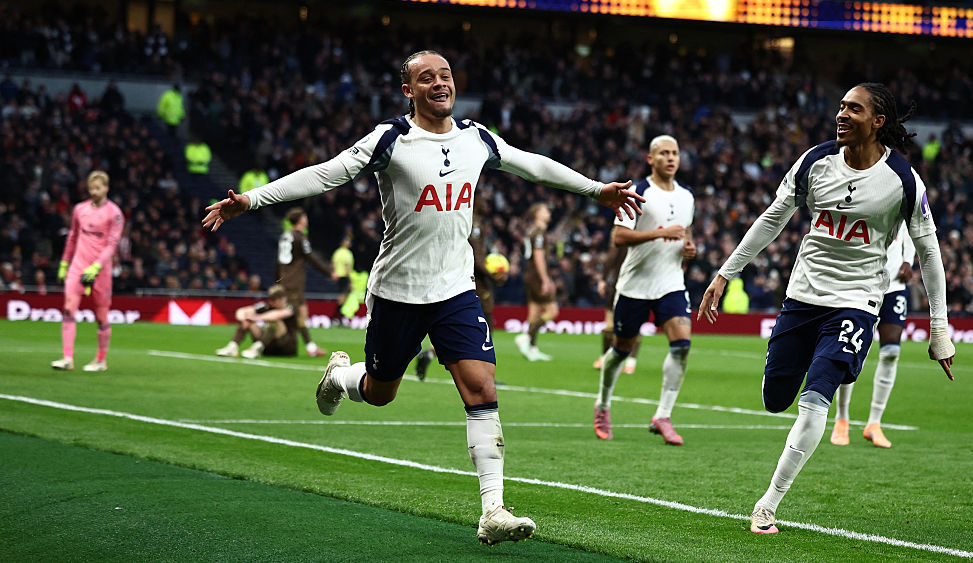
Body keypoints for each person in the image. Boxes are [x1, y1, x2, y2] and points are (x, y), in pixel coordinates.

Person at [202, 49, 644, 545]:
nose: (439, 83)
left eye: (446, 75)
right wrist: (251, 199)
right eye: (426, 78)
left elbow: (532, 165)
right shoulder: (390, 140)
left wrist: (594, 190)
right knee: (380, 392)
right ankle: (342, 376)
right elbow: (325, 173)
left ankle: (493, 509)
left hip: (456, 290)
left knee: (481, 389)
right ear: (408, 91)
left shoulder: (477, 138)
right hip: (397, 292)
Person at [696, 83, 955, 535]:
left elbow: (930, 255)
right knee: (776, 399)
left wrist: (939, 330)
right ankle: (790, 382)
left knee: (815, 400)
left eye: (853, 109)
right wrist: (725, 273)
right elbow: (773, 218)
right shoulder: (815, 162)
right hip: (802, 298)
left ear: (877, 121)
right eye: (840, 107)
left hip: (857, 302)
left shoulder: (903, 181)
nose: (841, 114)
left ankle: (767, 504)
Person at [593, 135, 697, 446]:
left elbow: (685, 235)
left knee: (681, 346)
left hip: (670, 283)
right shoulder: (638, 192)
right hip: (635, 285)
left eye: (675, 153)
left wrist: (688, 249)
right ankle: (603, 404)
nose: (670, 158)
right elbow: (620, 238)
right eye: (663, 153)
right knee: (620, 351)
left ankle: (662, 415)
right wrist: (660, 233)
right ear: (650, 158)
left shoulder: (687, 196)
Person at [830, 219, 916, 448]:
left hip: (895, 285)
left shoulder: (905, 189)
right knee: (851, 350)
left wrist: (908, 260)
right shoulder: (865, 189)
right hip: (862, 283)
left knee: (890, 353)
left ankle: (874, 423)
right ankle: (842, 419)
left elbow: (914, 225)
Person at [416, 207, 507, 381]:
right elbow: (475, 254)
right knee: (483, 327)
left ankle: (430, 354)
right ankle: (483, 374)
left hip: (469, 277)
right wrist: (492, 276)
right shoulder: (472, 221)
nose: (487, 201)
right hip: (475, 280)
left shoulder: (466, 219)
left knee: (475, 326)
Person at [51, 171, 125, 372]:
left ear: (106, 188)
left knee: (101, 316)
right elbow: (73, 237)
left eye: (98, 188)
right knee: (68, 309)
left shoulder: (115, 213)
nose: (94, 192)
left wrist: (97, 266)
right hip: (78, 266)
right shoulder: (79, 209)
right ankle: (67, 358)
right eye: (91, 188)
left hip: (100, 271)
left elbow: (112, 245)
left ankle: (101, 360)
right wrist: (64, 264)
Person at [277, 207, 332, 357]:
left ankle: (310, 347)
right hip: (294, 282)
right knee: (295, 316)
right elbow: (312, 259)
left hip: (285, 280)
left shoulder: (285, 236)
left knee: (302, 313)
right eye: (305, 217)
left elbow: (278, 261)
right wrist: (329, 272)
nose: (306, 220)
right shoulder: (301, 238)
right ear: (301, 220)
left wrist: (278, 280)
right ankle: (276, 344)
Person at [592, 234, 641, 374]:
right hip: (640, 284)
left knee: (609, 323)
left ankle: (604, 359)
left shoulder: (621, 232)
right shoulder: (646, 231)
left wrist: (603, 279)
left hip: (620, 283)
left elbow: (611, 257)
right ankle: (631, 363)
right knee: (635, 324)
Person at [514, 203, 557, 361]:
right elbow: (538, 257)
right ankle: (526, 336)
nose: (548, 213)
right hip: (536, 276)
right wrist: (546, 279)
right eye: (545, 210)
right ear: (538, 214)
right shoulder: (539, 233)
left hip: (529, 275)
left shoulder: (532, 231)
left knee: (534, 313)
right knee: (552, 311)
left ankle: (531, 349)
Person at [215, 285, 298, 358]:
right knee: (247, 320)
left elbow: (278, 315)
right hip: (268, 347)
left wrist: (257, 317)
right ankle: (233, 347)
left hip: (286, 347)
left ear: (282, 299)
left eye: (274, 300)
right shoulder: (265, 306)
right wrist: (244, 319)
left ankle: (256, 348)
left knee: (275, 322)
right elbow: (240, 311)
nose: (271, 302)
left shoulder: (290, 307)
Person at [331, 234, 355, 322]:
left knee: (342, 297)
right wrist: (350, 281)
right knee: (343, 298)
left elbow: (332, 263)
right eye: (348, 241)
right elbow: (347, 267)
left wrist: (334, 272)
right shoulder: (347, 253)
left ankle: (337, 318)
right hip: (344, 277)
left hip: (338, 276)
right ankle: (336, 317)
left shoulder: (337, 252)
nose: (349, 243)